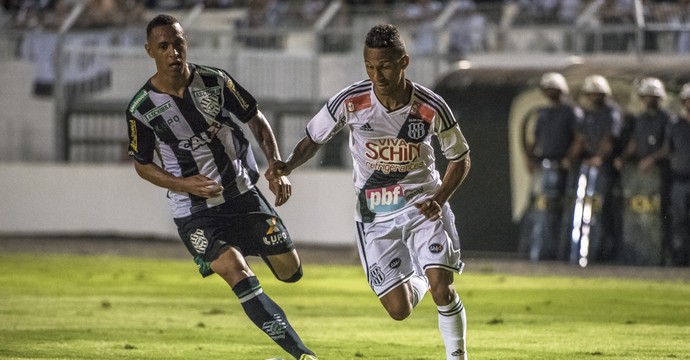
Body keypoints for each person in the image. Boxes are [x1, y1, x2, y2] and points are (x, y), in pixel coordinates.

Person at [267, 24, 471, 360]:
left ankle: (457, 356)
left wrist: (439, 199)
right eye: (370, 67)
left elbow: (461, 158)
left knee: (443, 289)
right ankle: (420, 277)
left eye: (385, 66)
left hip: (423, 205)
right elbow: (314, 139)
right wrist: (288, 165)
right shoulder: (351, 101)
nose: (377, 74)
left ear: (403, 62)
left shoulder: (430, 106)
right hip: (375, 213)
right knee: (398, 309)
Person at [124, 14, 317, 360]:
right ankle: (303, 355)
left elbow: (255, 118)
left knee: (291, 272)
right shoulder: (141, 108)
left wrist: (275, 165)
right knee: (235, 270)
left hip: (243, 195)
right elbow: (142, 164)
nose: (173, 52)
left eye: (178, 43)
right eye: (164, 46)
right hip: (195, 212)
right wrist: (183, 183)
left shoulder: (214, 81)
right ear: (150, 50)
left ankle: (245, 243)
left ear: (186, 43)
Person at [520, 72, 582, 262]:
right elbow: (535, 140)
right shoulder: (543, 113)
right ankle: (538, 250)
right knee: (539, 209)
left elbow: (579, 139)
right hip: (543, 167)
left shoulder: (571, 112)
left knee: (560, 211)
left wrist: (568, 159)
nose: (549, 93)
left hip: (562, 168)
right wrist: (529, 158)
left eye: (552, 89)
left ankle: (559, 252)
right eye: (547, 89)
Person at [567, 74, 623, 266]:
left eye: (596, 93)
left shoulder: (612, 112)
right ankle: (581, 254)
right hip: (587, 168)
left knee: (602, 210)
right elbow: (581, 140)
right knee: (583, 210)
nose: (592, 97)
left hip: (604, 169)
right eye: (589, 94)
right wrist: (571, 159)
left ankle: (603, 254)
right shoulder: (588, 114)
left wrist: (598, 158)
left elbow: (609, 139)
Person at [616, 77, 670, 265]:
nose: (649, 99)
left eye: (653, 96)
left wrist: (651, 159)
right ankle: (636, 258)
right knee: (635, 216)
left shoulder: (667, 119)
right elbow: (635, 142)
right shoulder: (639, 119)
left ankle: (657, 259)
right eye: (646, 96)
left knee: (654, 217)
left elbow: (668, 147)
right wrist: (622, 158)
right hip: (639, 175)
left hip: (658, 174)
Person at [661, 83, 690, 266]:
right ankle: (680, 258)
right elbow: (667, 149)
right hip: (680, 179)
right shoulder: (675, 124)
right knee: (678, 220)